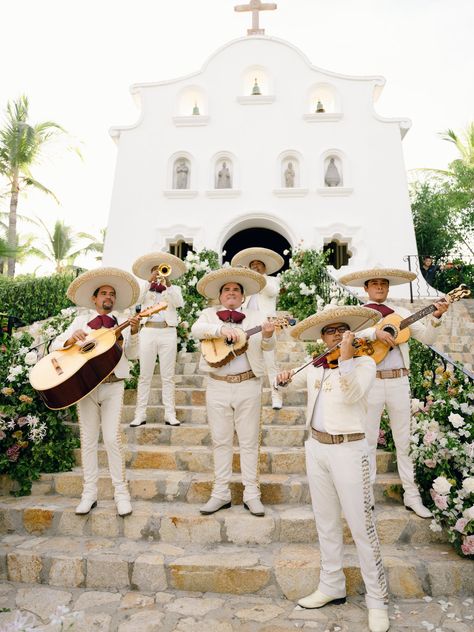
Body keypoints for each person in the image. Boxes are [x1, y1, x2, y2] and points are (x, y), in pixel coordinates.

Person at [276, 304, 389, 632]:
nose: (337, 335)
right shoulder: (315, 367)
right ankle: (331, 585)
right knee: (325, 523)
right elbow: (287, 387)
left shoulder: (365, 363)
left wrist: (348, 356)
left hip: (350, 450)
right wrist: (282, 381)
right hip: (316, 448)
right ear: (322, 338)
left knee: (361, 527)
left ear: (351, 335)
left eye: (343, 330)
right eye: (331, 331)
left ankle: (377, 599)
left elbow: (353, 392)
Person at [339, 268, 449, 518]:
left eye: (383, 284)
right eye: (374, 284)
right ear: (365, 288)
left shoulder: (403, 315)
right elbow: (346, 337)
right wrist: (372, 332)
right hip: (371, 383)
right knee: (367, 442)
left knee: (404, 441)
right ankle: (366, 497)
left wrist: (437, 317)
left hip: (399, 381)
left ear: (388, 288)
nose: (379, 287)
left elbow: (429, 339)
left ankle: (412, 496)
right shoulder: (359, 316)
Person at [51, 267, 141, 517]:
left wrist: (134, 332)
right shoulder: (81, 321)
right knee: (88, 440)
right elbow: (55, 345)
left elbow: (132, 355)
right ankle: (89, 494)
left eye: (112, 294)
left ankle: (121, 493)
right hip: (85, 387)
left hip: (114, 385)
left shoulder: (122, 322)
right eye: (104, 293)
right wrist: (71, 339)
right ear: (94, 299)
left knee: (112, 439)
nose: (108, 297)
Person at [191, 266, 276, 517]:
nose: (231, 293)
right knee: (220, 441)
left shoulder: (257, 316)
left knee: (249, 441)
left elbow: (268, 347)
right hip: (217, 384)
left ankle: (252, 494)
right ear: (220, 296)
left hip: (248, 384)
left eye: (236, 290)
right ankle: (220, 494)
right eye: (226, 290)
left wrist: (269, 335)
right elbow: (196, 330)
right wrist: (220, 330)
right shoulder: (208, 314)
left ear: (242, 296)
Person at [130, 252, 186, 427]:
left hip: (168, 332)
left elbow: (178, 303)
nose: (159, 274)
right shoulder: (145, 289)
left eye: (161, 271)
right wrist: (149, 281)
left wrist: (168, 283)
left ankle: (170, 414)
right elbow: (136, 299)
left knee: (168, 376)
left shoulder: (173, 289)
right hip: (148, 331)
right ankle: (140, 414)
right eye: (156, 271)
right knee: (144, 376)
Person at [231, 247, 284, 410]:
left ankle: (276, 396)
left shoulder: (272, 280)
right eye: (252, 264)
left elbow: (272, 291)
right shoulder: (247, 285)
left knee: (270, 363)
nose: (255, 266)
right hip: (249, 326)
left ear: (264, 268)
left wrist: (258, 277)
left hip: (267, 325)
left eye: (258, 264)